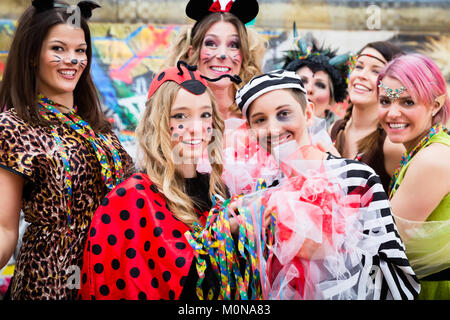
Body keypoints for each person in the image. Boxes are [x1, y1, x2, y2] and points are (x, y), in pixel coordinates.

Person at [230, 69, 420, 299]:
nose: (272, 128)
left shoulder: (354, 178)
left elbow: (401, 284)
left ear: (308, 113)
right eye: (260, 120)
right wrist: (241, 228)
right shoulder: (262, 194)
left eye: (284, 114)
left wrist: (330, 253)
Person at [0, 0, 133, 299]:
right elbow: (4, 229)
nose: (72, 59)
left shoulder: (99, 128)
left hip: (109, 276)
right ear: (33, 54)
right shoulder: (14, 126)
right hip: (52, 282)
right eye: (58, 49)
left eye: (80, 50)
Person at [78, 61, 231, 300]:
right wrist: (222, 235)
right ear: (157, 122)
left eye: (205, 114)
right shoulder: (132, 197)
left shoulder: (219, 190)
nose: (196, 127)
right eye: (180, 116)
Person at [377, 53, 450, 300]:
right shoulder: (417, 150)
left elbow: (384, 243)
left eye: (408, 102)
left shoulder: (433, 159)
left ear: (436, 105)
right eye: (385, 101)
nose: (392, 113)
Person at [163, 0, 264, 120]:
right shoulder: (171, 115)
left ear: (244, 56)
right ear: (192, 53)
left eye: (233, 45)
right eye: (211, 43)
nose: (222, 54)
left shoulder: (259, 115)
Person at [330, 41, 405, 193]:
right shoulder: (335, 129)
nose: (362, 75)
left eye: (376, 71)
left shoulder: (391, 144)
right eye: (359, 67)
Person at [282, 33, 350, 129]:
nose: (309, 89)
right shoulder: (269, 133)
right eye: (303, 80)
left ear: (331, 101)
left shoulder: (340, 138)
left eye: (320, 85)